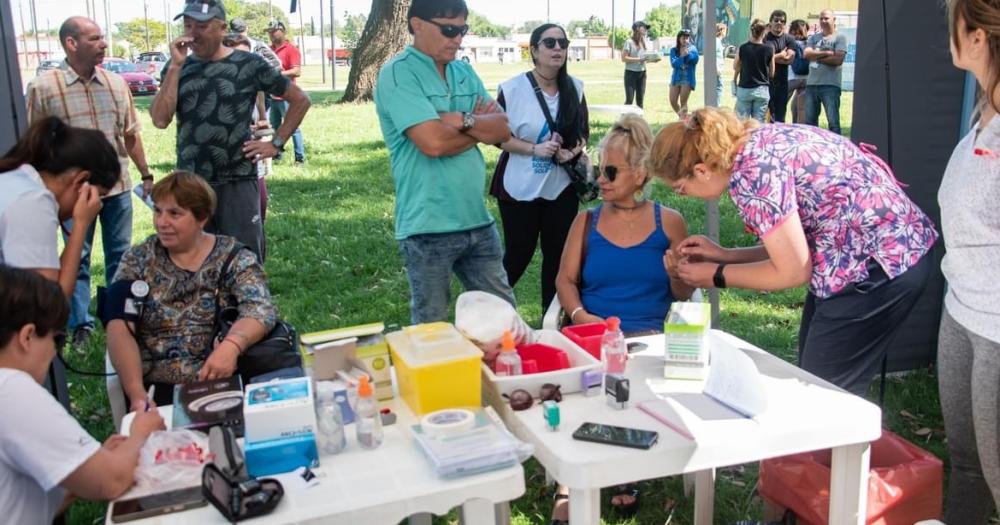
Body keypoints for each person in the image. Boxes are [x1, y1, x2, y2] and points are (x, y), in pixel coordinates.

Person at [648, 107, 938, 396]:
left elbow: (792, 271)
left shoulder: (751, 176)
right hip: (881, 251)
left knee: (824, 394)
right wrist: (725, 255)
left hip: (879, 266)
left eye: (680, 188)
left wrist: (716, 275)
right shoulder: (756, 143)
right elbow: (791, 248)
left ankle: (843, 441)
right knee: (814, 375)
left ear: (701, 170)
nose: (681, 196)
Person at [550, 114, 693, 523]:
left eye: (610, 171)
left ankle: (616, 465)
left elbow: (684, 294)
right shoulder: (587, 220)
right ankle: (573, 481)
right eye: (599, 170)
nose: (601, 180)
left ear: (640, 174)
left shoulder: (669, 223)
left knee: (624, 380)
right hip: (592, 333)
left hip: (650, 339)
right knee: (594, 380)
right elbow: (565, 279)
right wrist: (580, 317)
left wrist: (674, 274)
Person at [374, 0, 516, 324]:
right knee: (432, 328)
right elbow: (433, 144)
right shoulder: (398, 74)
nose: (457, 38)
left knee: (505, 321)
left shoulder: (463, 70)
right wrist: (480, 127)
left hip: (477, 221)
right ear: (416, 24)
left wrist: (457, 119)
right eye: (449, 29)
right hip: (427, 227)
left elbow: (504, 128)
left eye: (462, 29)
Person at [0, 265, 165, 524]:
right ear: (27, 337)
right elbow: (111, 482)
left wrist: (87, 463)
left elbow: (17, 503)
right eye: (56, 340)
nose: (55, 353)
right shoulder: (12, 390)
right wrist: (141, 434)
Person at [26, 16, 154, 347]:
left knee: (121, 256)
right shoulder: (44, 88)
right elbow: (34, 144)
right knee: (77, 256)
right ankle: (80, 324)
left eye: (103, 38)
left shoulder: (116, 83)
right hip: (73, 195)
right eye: (95, 38)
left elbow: (131, 134)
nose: (104, 44)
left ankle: (118, 318)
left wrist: (146, 173)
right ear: (71, 43)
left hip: (118, 189)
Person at [150, 0, 311, 262]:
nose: (193, 33)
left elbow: (300, 100)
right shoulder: (178, 67)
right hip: (191, 183)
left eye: (201, 26)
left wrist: (276, 143)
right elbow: (159, 119)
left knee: (243, 261)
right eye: (188, 25)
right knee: (191, 264)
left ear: (222, 28)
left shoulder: (248, 64)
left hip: (237, 180)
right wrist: (176, 68)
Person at [106, 171, 278, 410]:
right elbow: (118, 325)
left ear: (202, 217)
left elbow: (260, 309)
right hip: (156, 390)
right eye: (158, 211)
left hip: (221, 382)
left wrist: (232, 345)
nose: (162, 222)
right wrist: (136, 394)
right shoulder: (138, 259)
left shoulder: (233, 257)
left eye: (174, 213)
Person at [937, 1, 1000, 521]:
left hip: (998, 327)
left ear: (977, 36)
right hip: (959, 309)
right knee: (967, 465)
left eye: (953, 22)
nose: (949, 34)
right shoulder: (985, 111)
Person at [492, 23, 588, 311]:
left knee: (558, 257)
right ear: (533, 51)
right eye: (549, 43)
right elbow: (497, 137)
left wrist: (570, 151)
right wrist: (534, 149)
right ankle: (488, 311)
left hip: (560, 188)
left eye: (562, 42)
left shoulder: (575, 87)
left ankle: (553, 321)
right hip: (519, 186)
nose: (558, 48)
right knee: (519, 254)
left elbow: (583, 132)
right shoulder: (511, 89)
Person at [0, 117, 119, 299]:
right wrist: (81, 225)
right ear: (80, 180)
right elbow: (48, 305)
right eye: (95, 196)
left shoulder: (17, 182)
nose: (95, 206)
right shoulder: (33, 201)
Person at [223, 32, 273, 259]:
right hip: (223, 171)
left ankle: (252, 275)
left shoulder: (256, 85)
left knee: (258, 215)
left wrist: (273, 140)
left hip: (252, 163)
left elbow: (263, 122)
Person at [266, 20, 306, 164]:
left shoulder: (291, 49)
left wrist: (277, 74)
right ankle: (277, 153)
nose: (271, 34)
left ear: (282, 31)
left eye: (273, 31)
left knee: (292, 127)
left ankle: (299, 158)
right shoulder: (268, 49)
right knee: (276, 128)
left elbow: (297, 71)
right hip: (272, 96)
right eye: (269, 32)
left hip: (287, 96)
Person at [803, 9, 848, 134]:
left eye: (826, 18)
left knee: (833, 123)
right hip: (811, 85)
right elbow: (806, 54)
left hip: (830, 86)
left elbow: (838, 59)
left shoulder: (840, 37)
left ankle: (837, 149)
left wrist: (816, 56)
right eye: (821, 18)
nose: (823, 21)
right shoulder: (813, 38)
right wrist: (827, 53)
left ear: (834, 20)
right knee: (810, 124)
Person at [733, 19, 774, 122]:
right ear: (764, 32)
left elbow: (735, 66)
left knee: (743, 123)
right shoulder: (769, 49)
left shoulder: (743, 48)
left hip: (745, 88)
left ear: (751, 31)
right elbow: (772, 73)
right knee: (759, 123)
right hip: (762, 89)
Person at [763, 10, 797, 123]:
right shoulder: (765, 39)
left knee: (780, 115)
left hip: (782, 82)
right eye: (776, 20)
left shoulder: (789, 39)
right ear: (770, 22)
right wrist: (780, 55)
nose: (779, 23)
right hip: (765, 82)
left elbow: (789, 59)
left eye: (782, 21)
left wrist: (771, 58)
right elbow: (762, 60)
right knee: (765, 115)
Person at [669, 28, 699, 119]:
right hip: (676, 78)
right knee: (673, 100)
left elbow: (694, 60)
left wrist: (688, 55)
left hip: (687, 79)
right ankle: (684, 118)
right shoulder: (673, 50)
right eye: (683, 38)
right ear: (679, 38)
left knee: (683, 101)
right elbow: (674, 63)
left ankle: (683, 121)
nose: (685, 40)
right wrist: (682, 56)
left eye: (687, 38)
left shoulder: (692, 48)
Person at [787, 19, 810, 124]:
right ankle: (798, 130)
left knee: (780, 104)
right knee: (800, 108)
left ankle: (775, 125)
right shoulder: (810, 42)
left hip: (792, 78)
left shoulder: (790, 42)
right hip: (806, 78)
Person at [622, 21, 650, 108]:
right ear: (637, 29)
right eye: (644, 28)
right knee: (629, 100)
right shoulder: (629, 42)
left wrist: (652, 59)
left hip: (642, 73)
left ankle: (639, 120)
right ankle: (624, 120)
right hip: (630, 73)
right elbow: (624, 58)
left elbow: (644, 57)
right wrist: (639, 59)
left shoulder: (643, 42)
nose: (645, 30)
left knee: (640, 100)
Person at [715, 23, 728, 105]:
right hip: (717, 70)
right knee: (719, 88)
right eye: (725, 30)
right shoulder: (716, 41)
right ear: (722, 31)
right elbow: (712, 55)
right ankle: (717, 107)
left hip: (718, 69)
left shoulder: (718, 41)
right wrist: (716, 69)